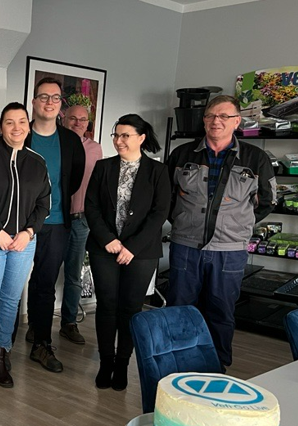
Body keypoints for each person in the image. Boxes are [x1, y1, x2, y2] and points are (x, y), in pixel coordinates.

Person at [166, 95, 276, 370]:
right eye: (211, 115)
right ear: (204, 120)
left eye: (224, 116)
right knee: (179, 308)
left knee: (221, 311)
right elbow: (166, 197)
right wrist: (182, 220)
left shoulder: (255, 158)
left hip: (230, 251)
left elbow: (268, 200)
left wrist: (238, 224)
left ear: (237, 121)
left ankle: (217, 367)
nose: (216, 121)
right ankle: (177, 364)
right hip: (186, 245)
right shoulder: (182, 154)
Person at [0, 103, 50, 391]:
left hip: (24, 242)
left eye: (22, 122)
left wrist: (28, 232)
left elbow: (44, 204)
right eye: (9, 122)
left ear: (29, 126)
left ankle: (1, 355)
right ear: (1, 127)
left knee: (11, 301)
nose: (16, 127)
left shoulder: (37, 161)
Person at [85, 114, 170, 391]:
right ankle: (106, 361)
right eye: (116, 135)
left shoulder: (158, 171)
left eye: (125, 135)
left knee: (131, 308)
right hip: (105, 248)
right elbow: (91, 206)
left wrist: (132, 246)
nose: (119, 141)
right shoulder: (103, 167)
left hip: (141, 252)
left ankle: (122, 362)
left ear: (141, 138)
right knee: (107, 305)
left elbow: (159, 213)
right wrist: (107, 239)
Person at [24, 77, 85, 372]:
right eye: (44, 97)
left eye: (55, 98)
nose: (49, 102)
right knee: (16, 284)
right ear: (34, 102)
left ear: (61, 105)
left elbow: (73, 180)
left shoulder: (70, 141)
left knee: (46, 283)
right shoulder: (20, 134)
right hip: (20, 225)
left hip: (57, 222)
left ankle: (42, 344)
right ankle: (14, 337)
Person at [59, 105, 103, 345]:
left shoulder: (95, 149)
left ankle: (69, 323)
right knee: (43, 274)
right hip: (54, 220)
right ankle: (37, 324)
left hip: (80, 219)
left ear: (88, 123)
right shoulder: (55, 143)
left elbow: (98, 185)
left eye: (83, 119)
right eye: (73, 118)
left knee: (74, 274)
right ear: (63, 119)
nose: (78, 123)